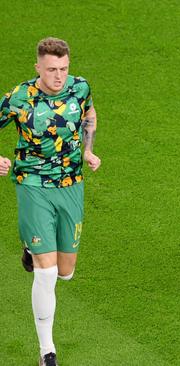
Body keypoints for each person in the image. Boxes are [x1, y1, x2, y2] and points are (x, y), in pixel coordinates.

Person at [0, 37, 101, 366]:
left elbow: (89, 115)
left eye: (64, 69)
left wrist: (87, 149)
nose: (59, 76)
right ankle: (47, 351)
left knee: (66, 272)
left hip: (71, 185)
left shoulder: (80, 88)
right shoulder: (20, 97)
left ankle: (31, 250)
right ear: (38, 68)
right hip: (32, 184)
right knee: (47, 272)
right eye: (51, 70)